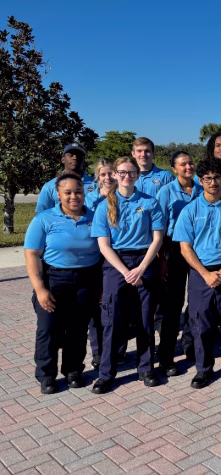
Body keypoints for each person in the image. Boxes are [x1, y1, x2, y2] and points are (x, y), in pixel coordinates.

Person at [173, 158, 221, 388]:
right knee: (201, 323)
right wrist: (206, 274)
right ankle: (203, 368)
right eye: (207, 178)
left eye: (217, 177)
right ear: (200, 181)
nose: (213, 182)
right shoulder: (190, 211)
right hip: (201, 274)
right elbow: (185, 248)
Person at [91, 157, 165, 394]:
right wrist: (125, 272)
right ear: (115, 173)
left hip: (144, 261)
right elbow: (104, 245)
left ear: (137, 174)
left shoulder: (150, 202)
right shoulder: (105, 205)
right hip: (116, 264)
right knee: (112, 320)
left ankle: (145, 368)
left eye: (131, 172)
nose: (127, 176)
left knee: (145, 319)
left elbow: (157, 239)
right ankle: (106, 373)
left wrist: (141, 268)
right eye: (122, 172)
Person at [25, 174, 102, 394]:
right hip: (54, 280)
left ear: (84, 193)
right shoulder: (44, 219)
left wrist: (101, 285)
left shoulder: (95, 218)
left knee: (78, 328)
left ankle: (73, 370)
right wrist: (40, 289)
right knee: (48, 328)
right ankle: (47, 375)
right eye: (67, 192)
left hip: (87, 280)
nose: (73, 196)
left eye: (78, 191)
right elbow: (32, 255)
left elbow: (104, 251)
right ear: (58, 195)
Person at [155, 151, 202, 374]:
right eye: (183, 164)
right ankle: (166, 356)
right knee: (173, 306)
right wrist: (162, 258)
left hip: (199, 249)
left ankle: (191, 344)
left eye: (190, 162)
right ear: (174, 168)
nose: (188, 167)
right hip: (174, 249)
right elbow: (161, 226)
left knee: (196, 302)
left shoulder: (202, 188)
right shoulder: (166, 192)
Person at [84, 158, 117, 370]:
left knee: (118, 305)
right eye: (103, 174)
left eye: (110, 173)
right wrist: (99, 197)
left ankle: (118, 348)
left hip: (119, 255)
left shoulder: (125, 193)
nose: (107, 178)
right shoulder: (90, 198)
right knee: (97, 308)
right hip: (96, 256)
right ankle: (98, 352)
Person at [35, 143, 97, 213]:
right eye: (70, 155)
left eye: (79, 155)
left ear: (84, 160)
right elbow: (42, 214)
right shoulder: (49, 186)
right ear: (63, 159)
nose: (75, 157)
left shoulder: (96, 184)